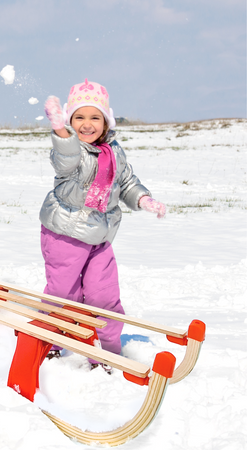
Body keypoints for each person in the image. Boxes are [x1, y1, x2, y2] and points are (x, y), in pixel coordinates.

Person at [41, 79, 165, 371]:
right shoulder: (74, 152)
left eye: (95, 117)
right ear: (70, 121)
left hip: (100, 236)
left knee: (103, 294)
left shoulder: (114, 151)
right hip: (65, 235)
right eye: (79, 117)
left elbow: (126, 182)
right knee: (64, 293)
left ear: (106, 121)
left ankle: (106, 351)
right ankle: (50, 342)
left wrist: (143, 199)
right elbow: (66, 155)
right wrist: (59, 129)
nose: (87, 124)